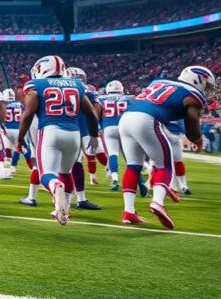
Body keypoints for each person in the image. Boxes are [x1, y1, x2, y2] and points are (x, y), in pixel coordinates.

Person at [117, 66, 214, 229]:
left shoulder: (159, 82)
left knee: (133, 165)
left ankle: (129, 211)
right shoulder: (194, 96)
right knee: (165, 165)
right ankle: (157, 202)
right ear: (198, 79)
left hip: (126, 118)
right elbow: (191, 125)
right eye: (208, 85)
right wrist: (197, 139)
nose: (208, 89)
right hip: (148, 119)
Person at [16, 55, 100, 226]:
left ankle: (55, 188)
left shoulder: (37, 84)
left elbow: (28, 115)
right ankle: (64, 209)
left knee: (46, 175)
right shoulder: (76, 84)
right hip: (74, 135)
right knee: (66, 172)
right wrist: (93, 135)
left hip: (50, 132)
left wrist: (20, 138)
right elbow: (91, 113)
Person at [64, 67, 102, 210]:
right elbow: (96, 106)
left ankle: (74, 197)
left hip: (64, 127)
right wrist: (94, 126)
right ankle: (78, 198)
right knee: (74, 163)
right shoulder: (82, 87)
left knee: (71, 163)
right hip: (80, 129)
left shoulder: (57, 86)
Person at [98, 80, 133, 191]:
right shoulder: (130, 99)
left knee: (113, 154)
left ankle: (115, 179)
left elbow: (97, 115)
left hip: (109, 128)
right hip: (125, 127)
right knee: (130, 157)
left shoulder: (101, 99)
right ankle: (136, 179)